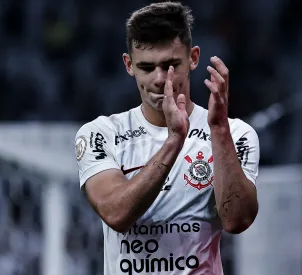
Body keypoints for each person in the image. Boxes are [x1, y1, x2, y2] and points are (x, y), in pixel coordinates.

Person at [74, 2, 260, 274]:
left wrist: (219, 129)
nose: (160, 79)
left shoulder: (235, 134)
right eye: (147, 67)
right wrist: (174, 140)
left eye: (171, 65)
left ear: (193, 58)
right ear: (129, 65)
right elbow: (116, 214)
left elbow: (237, 220)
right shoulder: (101, 134)